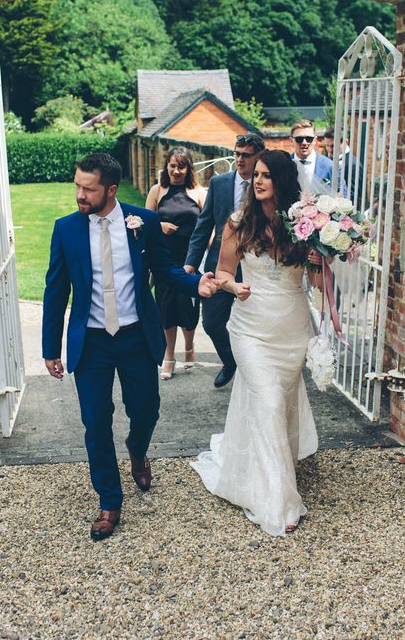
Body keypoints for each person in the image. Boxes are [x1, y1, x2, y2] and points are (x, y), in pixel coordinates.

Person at [42, 152, 217, 541]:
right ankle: (109, 500)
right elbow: (56, 291)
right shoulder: (66, 229)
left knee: (146, 410)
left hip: (136, 335)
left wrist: (196, 284)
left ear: (111, 189)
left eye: (88, 188)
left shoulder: (143, 222)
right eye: (77, 186)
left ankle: (137, 449)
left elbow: (165, 268)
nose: (80, 195)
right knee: (95, 421)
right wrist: (51, 348)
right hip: (91, 341)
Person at [191, 150, 322, 537]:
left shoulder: (304, 224)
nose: (258, 181)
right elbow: (222, 273)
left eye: (266, 175)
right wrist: (234, 287)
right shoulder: (237, 223)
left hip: (292, 330)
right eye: (256, 175)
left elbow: (314, 284)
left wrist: (319, 259)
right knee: (266, 401)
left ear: (281, 180)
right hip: (250, 330)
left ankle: (266, 464)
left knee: (278, 403)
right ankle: (280, 501)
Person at [184, 132, 265, 388]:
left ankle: (255, 373)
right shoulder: (219, 183)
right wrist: (190, 263)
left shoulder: (268, 184)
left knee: (257, 328)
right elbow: (203, 225)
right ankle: (230, 362)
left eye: (246, 156)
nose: (240, 160)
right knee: (211, 322)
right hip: (219, 266)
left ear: (259, 157)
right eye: (237, 154)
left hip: (256, 267)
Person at [145, 147, 206, 380]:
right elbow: (142, 221)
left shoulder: (199, 193)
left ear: (189, 168)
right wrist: (159, 226)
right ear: (166, 166)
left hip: (190, 257)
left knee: (187, 306)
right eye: (172, 165)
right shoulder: (157, 190)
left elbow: (207, 227)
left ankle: (189, 347)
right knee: (166, 306)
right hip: (164, 257)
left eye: (181, 166)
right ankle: (169, 357)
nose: (176, 171)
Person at [323, 128, 366, 211]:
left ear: (346, 142)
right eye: (327, 146)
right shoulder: (327, 160)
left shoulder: (353, 165)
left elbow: (353, 197)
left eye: (333, 146)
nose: (330, 150)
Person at [290, 119, 332, 193]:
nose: (304, 142)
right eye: (299, 139)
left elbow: (342, 197)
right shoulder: (284, 163)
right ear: (291, 140)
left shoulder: (330, 166)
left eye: (309, 139)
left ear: (315, 140)